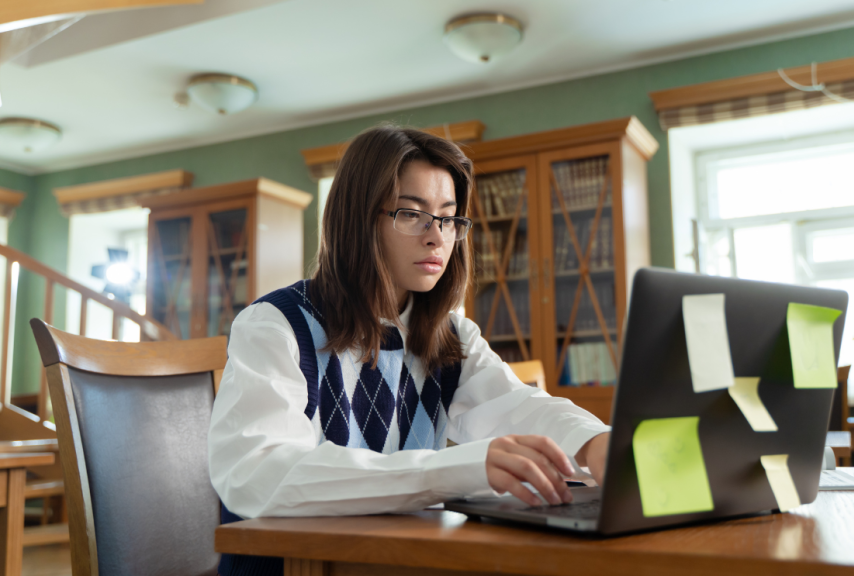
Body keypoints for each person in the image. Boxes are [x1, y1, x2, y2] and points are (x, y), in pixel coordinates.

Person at [208, 124, 610, 575]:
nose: (437, 237)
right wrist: (446, 471)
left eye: (448, 218)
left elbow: (521, 406)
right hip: (295, 566)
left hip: (393, 562)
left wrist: (595, 442)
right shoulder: (275, 325)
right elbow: (256, 474)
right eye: (412, 213)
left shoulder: (449, 334)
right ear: (358, 219)